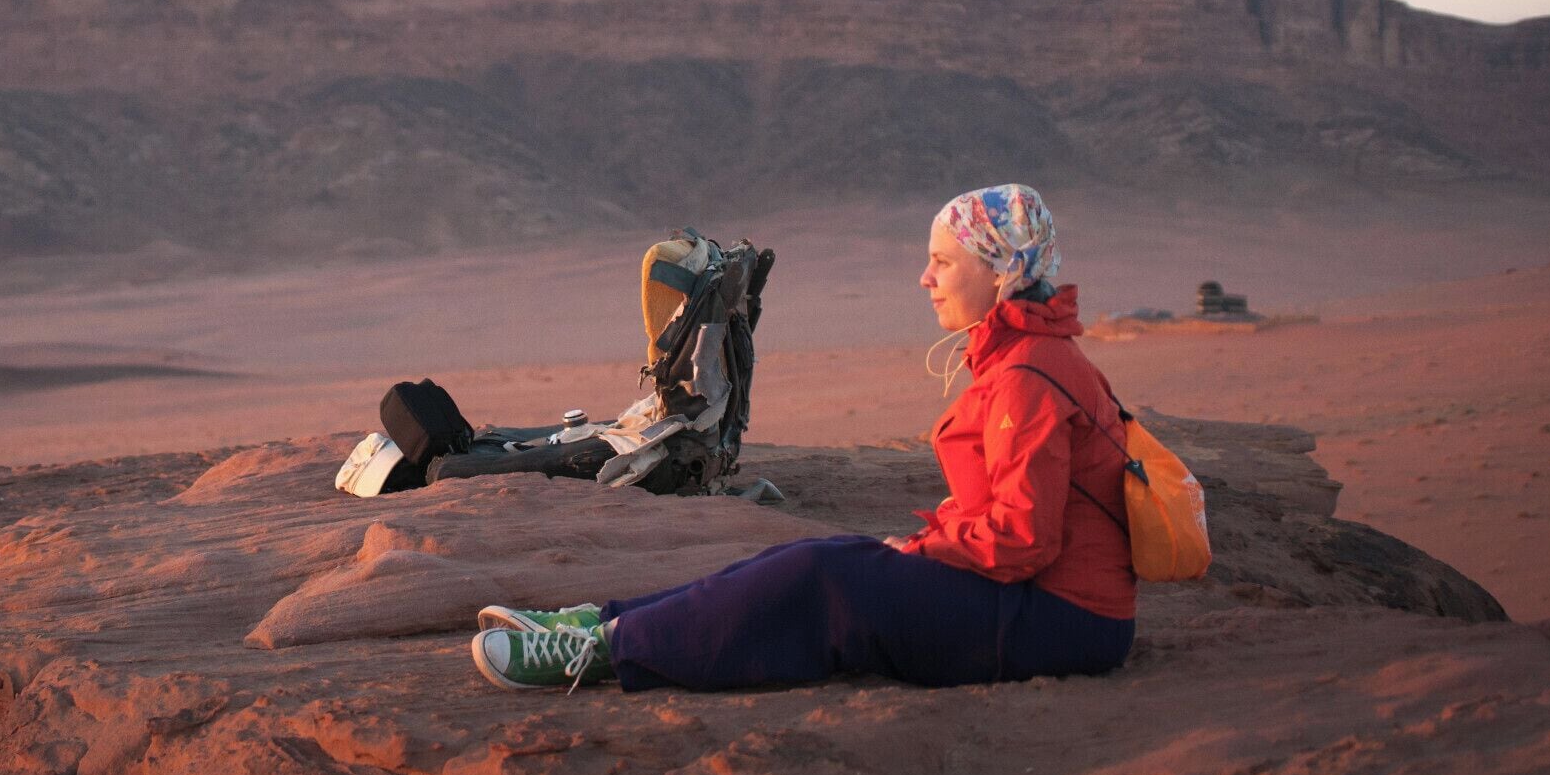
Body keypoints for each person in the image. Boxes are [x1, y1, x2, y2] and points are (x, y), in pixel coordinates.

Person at [469, 183, 1137, 692]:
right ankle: (601, 623)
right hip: (1052, 606)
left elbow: (1023, 539)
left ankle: (605, 654)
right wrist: (918, 549)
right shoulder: (1032, 354)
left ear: (998, 272)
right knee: (830, 552)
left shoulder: (1029, 373)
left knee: (824, 576)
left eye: (943, 262)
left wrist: (926, 548)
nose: (925, 278)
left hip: (1060, 621)